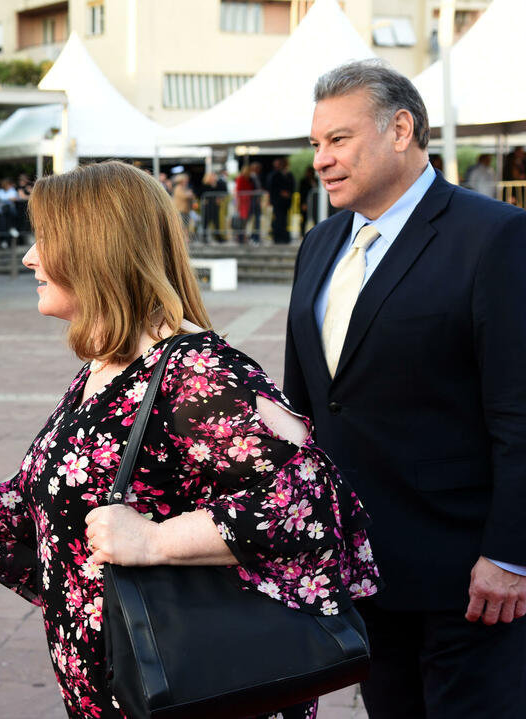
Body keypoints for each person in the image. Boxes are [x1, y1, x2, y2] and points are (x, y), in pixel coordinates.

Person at [0, 161, 380, 719]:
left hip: (194, 688)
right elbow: (48, 495)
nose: (29, 257)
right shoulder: (109, 364)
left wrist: (156, 540)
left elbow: (309, 502)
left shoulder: (195, 371)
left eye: (45, 240)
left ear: (97, 249)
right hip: (119, 686)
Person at [284, 59, 526, 719]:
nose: (322, 159)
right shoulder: (319, 244)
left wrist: (511, 554)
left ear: (400, 129)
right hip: (361, 570)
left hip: (469, 579)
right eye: (316, 143)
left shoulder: (495, 236)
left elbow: (519, 411)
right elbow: (309, 404)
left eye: (338, 139)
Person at [266, 157, 295, 244]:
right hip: (277, 201)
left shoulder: (289, 175)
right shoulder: (275, 175)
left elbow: (292, 186)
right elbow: (271, 188)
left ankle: (284, 237)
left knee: (284, 219)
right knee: (278, 219)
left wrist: (288, 193)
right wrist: (280, 192)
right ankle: (278, 237)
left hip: (286, 202)